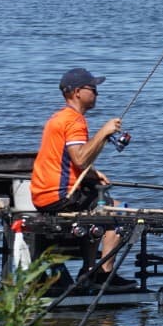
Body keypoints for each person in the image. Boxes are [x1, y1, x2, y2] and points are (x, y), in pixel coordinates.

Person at [30, 67, 137, 289]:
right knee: (121, 212)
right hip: (60, 196)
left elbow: (67, 160)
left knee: (99, 206)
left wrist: (92, 173)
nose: (97, 93)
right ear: (77, 91)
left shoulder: (59, 118)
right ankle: (102, 275)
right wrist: (103, 132)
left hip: (43, 194)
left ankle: (88, 271)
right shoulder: (74, 121)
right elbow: (79, 159)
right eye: (93, 89)